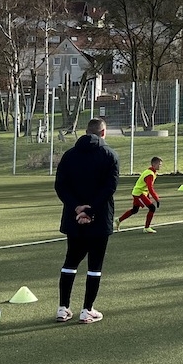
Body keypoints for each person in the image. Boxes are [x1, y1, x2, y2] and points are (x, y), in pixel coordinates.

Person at [53, 118, 119, 323]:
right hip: (99, 218)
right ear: (103, 132)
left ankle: (63, 308)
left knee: (70, 261)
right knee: (95, 266)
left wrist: (77, 208)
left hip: (74, 218)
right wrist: (90, 211)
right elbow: (109, 188)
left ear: (86, 131)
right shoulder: (110, 155)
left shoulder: (69, 155)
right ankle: (87, 310)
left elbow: (60, 186)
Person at [116, 156, 163, 232]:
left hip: (139, 192)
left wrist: (148, 197)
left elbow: (146, 187)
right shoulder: (150, 174)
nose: (160, 166)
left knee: (135, 210)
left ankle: (118, 220)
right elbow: (150, 188)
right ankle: (146, 228)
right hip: (139, 194)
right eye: (159, 164)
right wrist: (156, 198)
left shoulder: (150, 172)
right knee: (152, 208)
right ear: (154, 164)